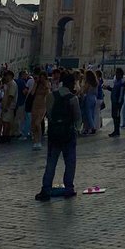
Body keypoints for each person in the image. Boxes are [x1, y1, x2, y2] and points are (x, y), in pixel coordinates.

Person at [35, 72, 80, 200]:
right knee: (70, 162)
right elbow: (78, 119)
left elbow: (49, 114)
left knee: (51, 162)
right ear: (71, 84)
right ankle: (69, 188)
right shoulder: (73, 98)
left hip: (54, 133)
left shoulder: (50, 96)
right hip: (68, 134)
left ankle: (46, 188)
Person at [29, 68, 50, 150]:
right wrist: (35, 83)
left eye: (42, 77)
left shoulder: (47, 85)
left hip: (42, 105)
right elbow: (32, 93)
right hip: (35, 104)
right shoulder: (37, 84)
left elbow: (48, 95)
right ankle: (35, 140)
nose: (41, 79)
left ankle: (39, 141)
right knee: (33, 124)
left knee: (38, 123)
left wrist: (45, 85)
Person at [109, 68, 125, 137]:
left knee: (116, 116)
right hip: (114, 100)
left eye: (117, 73)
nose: (116, 74)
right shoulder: (117, 81)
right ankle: (116, 130)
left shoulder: (122, 82)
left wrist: (118, 102)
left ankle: (117, 131)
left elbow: (121, 93)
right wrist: (108, 88)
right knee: (114, 116)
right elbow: (114, 90)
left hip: (117, 102)